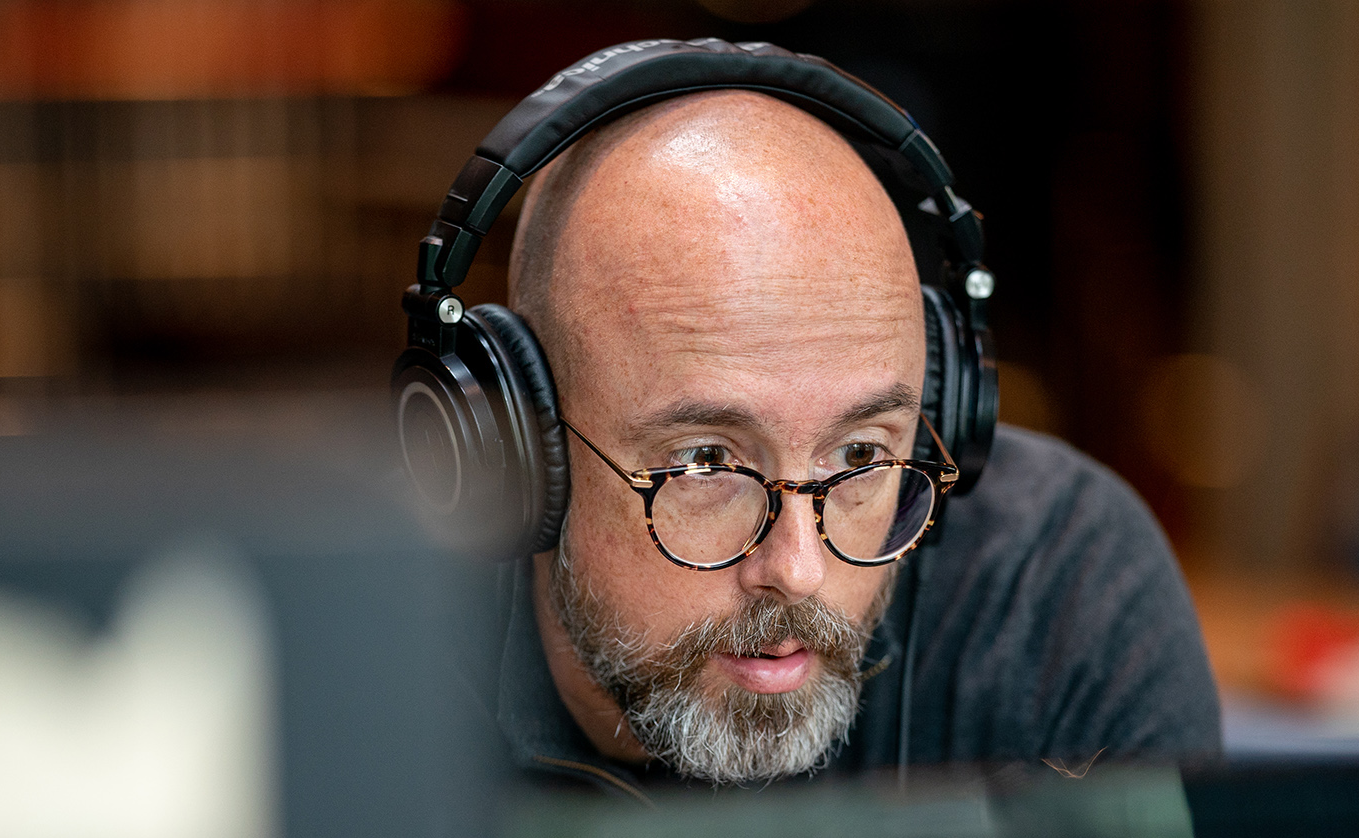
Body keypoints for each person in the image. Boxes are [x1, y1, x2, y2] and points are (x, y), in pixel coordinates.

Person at [476, 86, 1219, 794]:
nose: (798, 569)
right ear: (525, 453)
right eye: (707, 461)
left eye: (861, 455)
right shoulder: (374, 681)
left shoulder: (1060, 596)